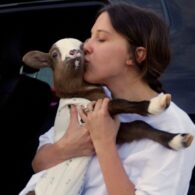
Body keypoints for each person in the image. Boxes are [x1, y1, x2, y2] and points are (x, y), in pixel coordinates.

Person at [22, 2, 195, 195]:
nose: (85, 46)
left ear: (136, 55)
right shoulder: (89, 100)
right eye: (89, 37)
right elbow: (39, 163)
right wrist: (68, 147)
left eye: (101, 39)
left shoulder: (174, 125)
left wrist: (104, 143)